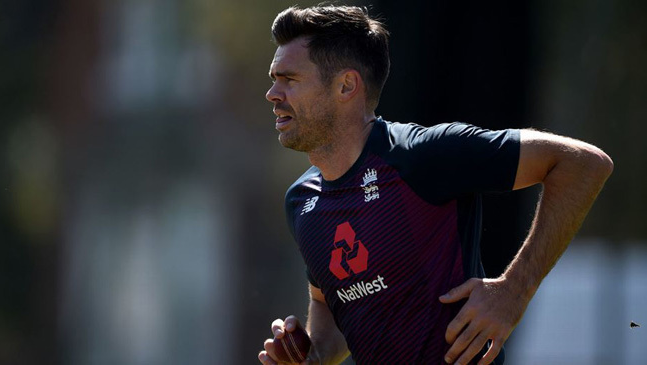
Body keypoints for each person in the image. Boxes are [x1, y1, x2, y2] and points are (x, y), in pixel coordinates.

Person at [258, 5, 613, 365]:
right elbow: (330, 304)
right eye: (274, 78)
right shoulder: (301, 202)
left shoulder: (422, 155)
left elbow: (583, 164)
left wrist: (513, 291)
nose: (272, 93)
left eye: (289, 79)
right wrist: (311, 355)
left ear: (346, 85)